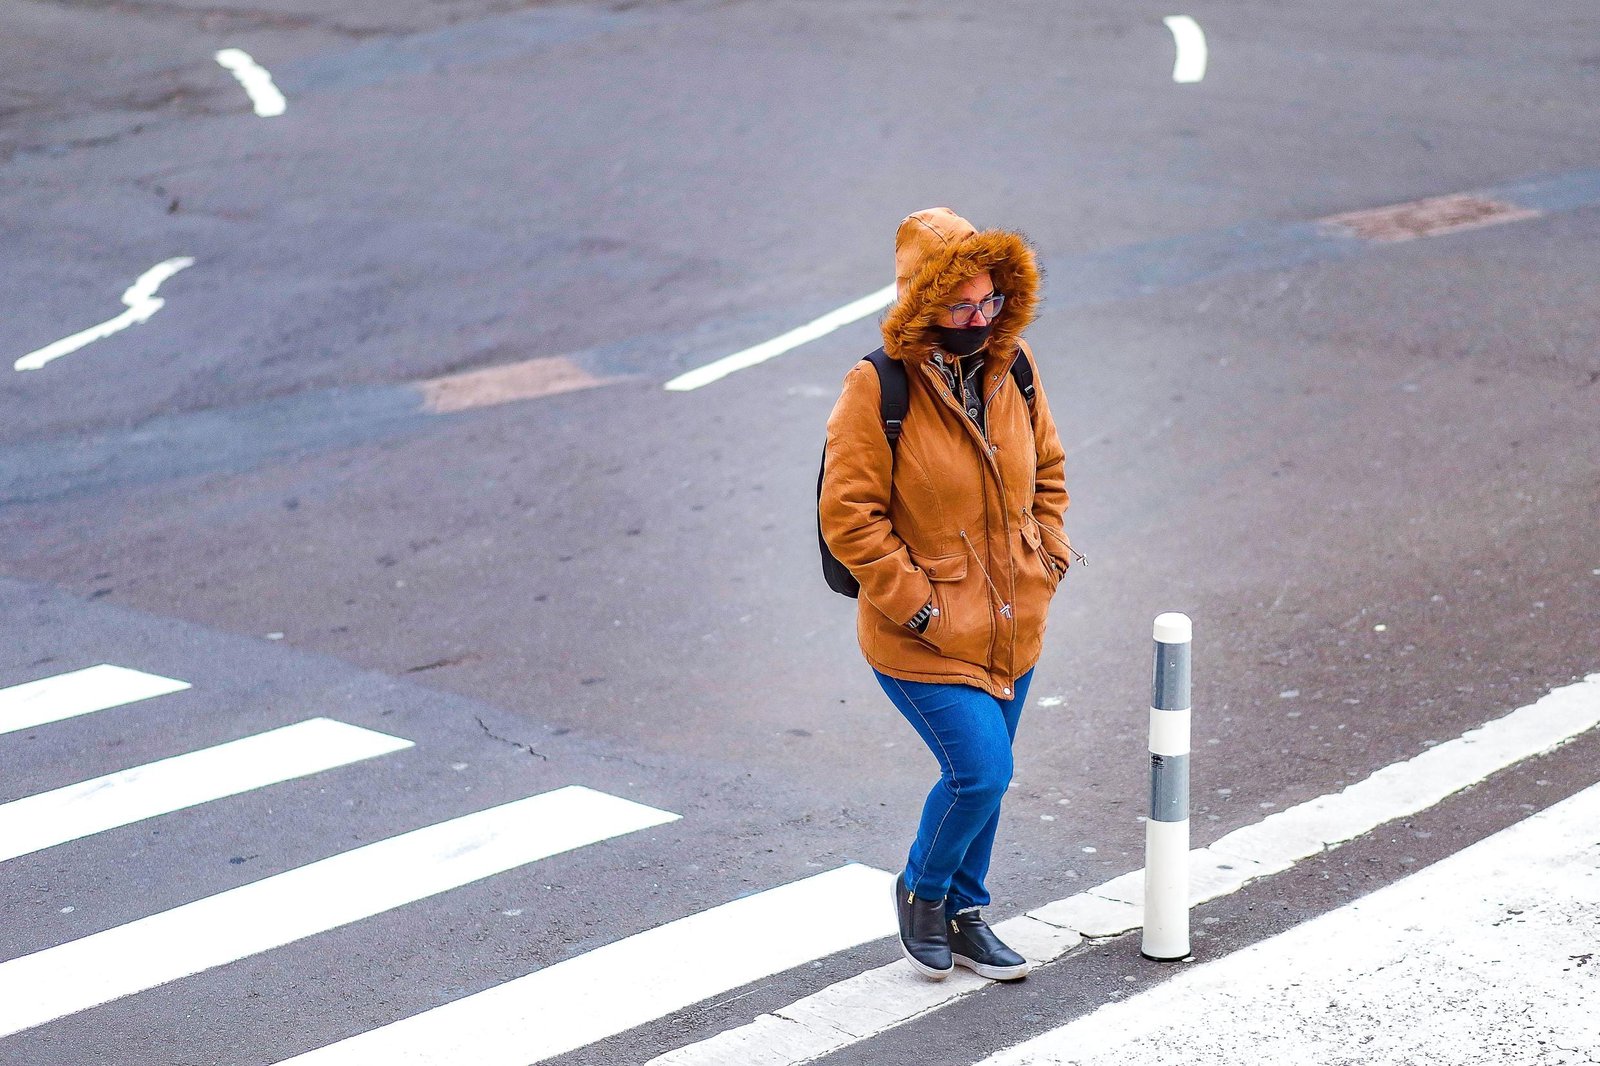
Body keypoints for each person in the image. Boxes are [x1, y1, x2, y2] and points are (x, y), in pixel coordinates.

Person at [819, 207, 1076, 982]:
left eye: (991, 301)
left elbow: (1051, 472)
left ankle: (966, 914)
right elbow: (849, 517)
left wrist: (1049, 555)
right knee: (981, 773)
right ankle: (923, 892)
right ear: (925, 304)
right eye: (961, 306)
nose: (979, 319)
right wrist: (919, 604)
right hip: (923, 635)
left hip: (1011, 618)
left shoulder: (1014, 366)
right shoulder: (878, 385)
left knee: (989, 777)